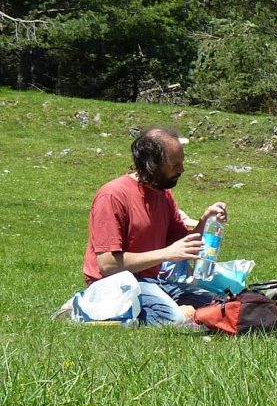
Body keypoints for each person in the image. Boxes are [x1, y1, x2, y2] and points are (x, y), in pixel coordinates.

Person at [82, 127, 227, 326]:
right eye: (175, 165)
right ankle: (86, 308)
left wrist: (205, 221)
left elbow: (180, 244)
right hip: (114, 285)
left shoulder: (162, 193)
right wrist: (166, 254)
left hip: (152, 282)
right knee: (173, 319)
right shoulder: (112, 196)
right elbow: (108, 265)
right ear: (152, 165)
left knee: (222, 305)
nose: (181, 170)